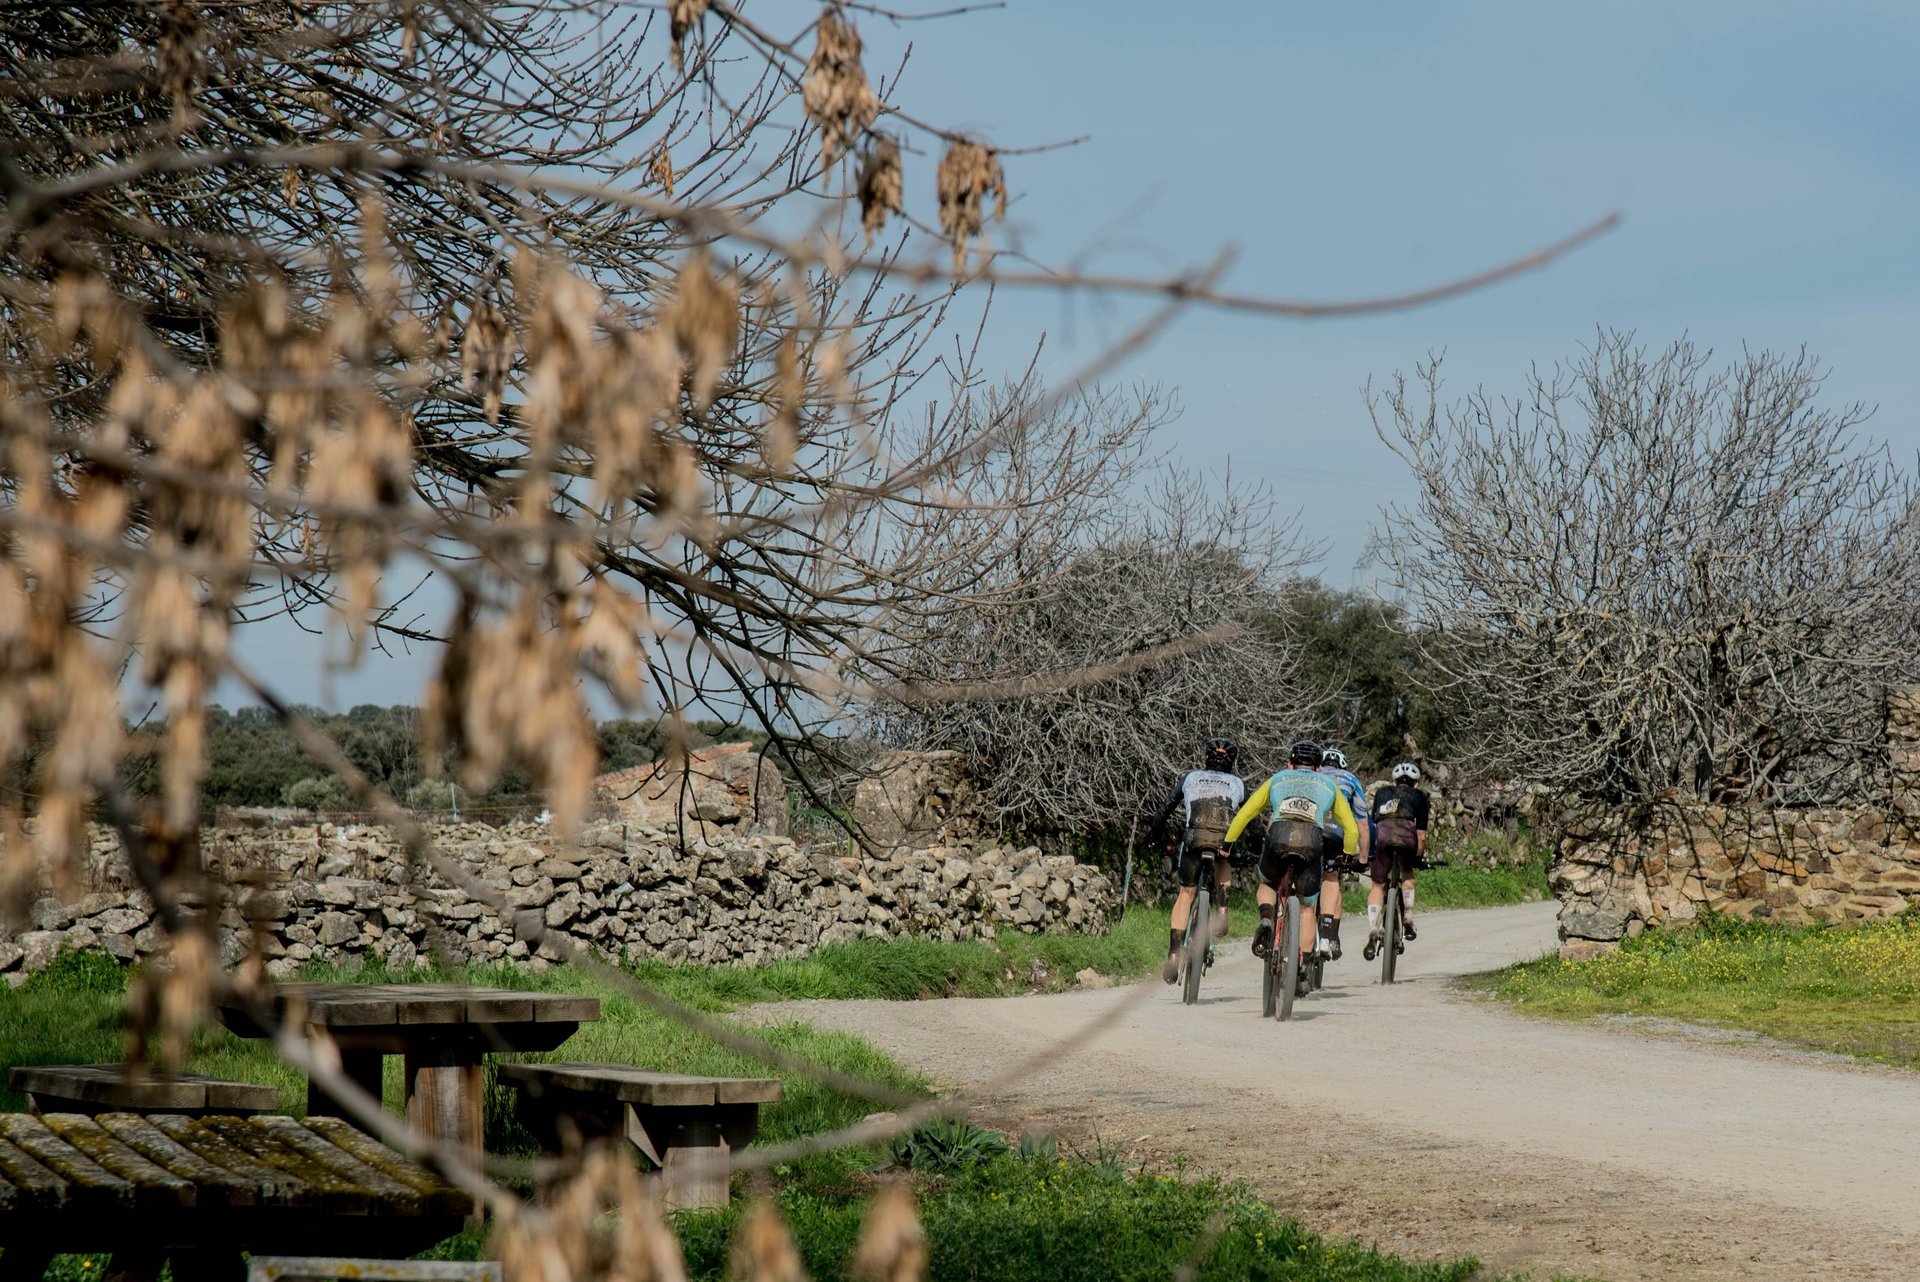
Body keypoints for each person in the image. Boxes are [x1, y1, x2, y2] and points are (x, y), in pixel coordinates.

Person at [1224, 738, 1360, 996]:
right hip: (1312, 841)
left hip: (1279, 835)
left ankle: (1266, 918)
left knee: (1267, 882)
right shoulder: (1329, 784)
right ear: (1318, 767)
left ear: (1290, 763)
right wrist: (1347, 855)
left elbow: (1245, 814)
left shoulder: (1278, 778)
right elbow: (1351, 829)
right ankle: (1304, 967)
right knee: (1307, 908)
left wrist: (1227, 844)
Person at [1149, 737, 1249, 984]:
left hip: (1194, 836)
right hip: (1222, 838)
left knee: (1186, 894)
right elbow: (1252, 820)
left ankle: (1173, 955)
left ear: (1206, 758)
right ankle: (1222, 910)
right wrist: (1257, 846)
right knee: (1223, 861)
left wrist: (1153, 836)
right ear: (1232, 762)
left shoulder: (1190, 778)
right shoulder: (1238, 783)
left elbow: (1165, 809)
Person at [1365, 761, 1432, 959]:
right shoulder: (1420, 796)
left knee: (1377, 885)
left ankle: (1373, 929)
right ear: (1416, 784)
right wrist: (1418, 858)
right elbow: (1421, 836)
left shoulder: (1381, 793)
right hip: (1405, 837)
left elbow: (1373, 823)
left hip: (1382, 835)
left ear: (1394, 783)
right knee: (1407, 873)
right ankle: (1408, 918)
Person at [1315, 746, 1370, 960]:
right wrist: (1363, 858)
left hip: (1310, 830)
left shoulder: (1313, 774)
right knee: (1331, 878)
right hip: (1336, 833)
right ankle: (1328, 936)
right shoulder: (1351, 779)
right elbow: (1362, 823)